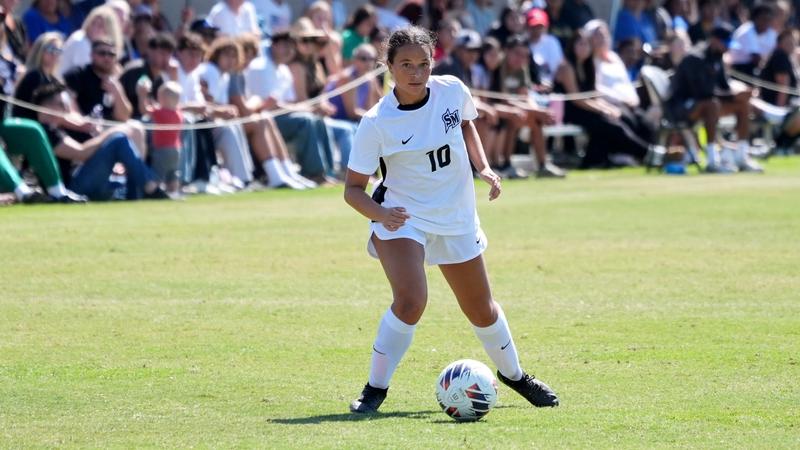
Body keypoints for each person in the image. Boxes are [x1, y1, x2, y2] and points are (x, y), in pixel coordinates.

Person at [344, 26, 559, 414]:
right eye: (406, 64)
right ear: (389, 66)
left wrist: (484, 167)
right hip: (403, 218)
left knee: (481, 309)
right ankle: (375, 388)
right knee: (411, 301)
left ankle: (515, 376)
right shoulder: (376, 122)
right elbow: (352, 190)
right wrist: (382, 215)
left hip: (456, 215)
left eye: (423, 63)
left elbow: (464, 124)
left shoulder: (452, 90)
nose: (416, 72)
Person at [33, 82, 167, 200]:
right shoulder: (44, 131)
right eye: (62, 105)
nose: (67, 110)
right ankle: (149, 188)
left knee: (120, 181)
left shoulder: (54, 129)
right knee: (118, 139)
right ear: (47, 107)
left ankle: (141, 191)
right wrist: (112, 132)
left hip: (79, 181)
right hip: (71, 188)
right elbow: (81, 152)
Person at [666, 24, 762, 173]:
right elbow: (702, 93)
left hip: (706, 104)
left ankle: (742, 157)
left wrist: (742, 95)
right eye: (725, 43)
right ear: (714, 40)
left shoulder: (718, 57)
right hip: (681, 108)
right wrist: (733, 96)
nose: (727, 48)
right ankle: (712, 161)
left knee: (743, 104)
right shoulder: (695, 58)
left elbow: (724, 87)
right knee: (712, 105)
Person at [59, 5, 123, 77]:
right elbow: (92, 74)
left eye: (100, 26)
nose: (94, 28)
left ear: (109, 31)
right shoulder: (80, 42)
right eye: (93, 23)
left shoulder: (103, 46)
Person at [146, 81, 183, 195]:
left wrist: (143, 95)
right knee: (173, 173)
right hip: (176, 150)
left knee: (158, 173)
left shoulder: (161, 113)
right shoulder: (178, 114)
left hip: (162, 150)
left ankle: (156, 192)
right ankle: (174, 192)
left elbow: (145, 110)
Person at [759, 29, 799, 107]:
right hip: (777, 106)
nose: (791, 45)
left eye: (793, 42)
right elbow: (783, 87)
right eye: (788, 42)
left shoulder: (786, 56)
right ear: (779, 43)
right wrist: (779, 110)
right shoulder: (780, 56)